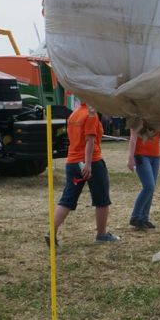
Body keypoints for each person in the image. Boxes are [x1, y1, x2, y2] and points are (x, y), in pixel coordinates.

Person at [49, 101, 119, 244]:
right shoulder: (91, 115)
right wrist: (87, 164)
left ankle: (51, 231)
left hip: (72, 162)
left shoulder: (74, 114)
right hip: (92, 162)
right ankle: (102, 235)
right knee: (102, 200)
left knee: (67, 199)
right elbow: (90, 140)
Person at [127, 127, 160, 230]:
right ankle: (135, 217)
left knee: (151, 189)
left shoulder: (155, 119)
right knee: (149, 187)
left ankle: (143, 218)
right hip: (141, 155)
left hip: (156, 156)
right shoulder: (137, 119)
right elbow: (133, 139)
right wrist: (130, 158)